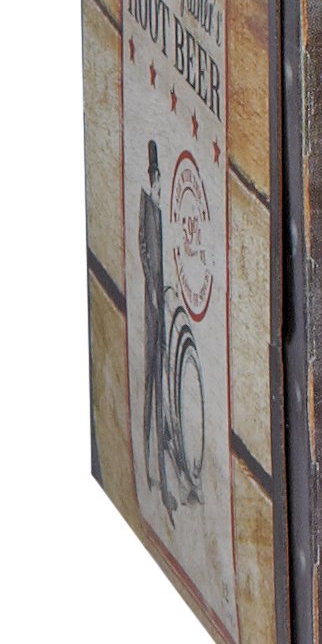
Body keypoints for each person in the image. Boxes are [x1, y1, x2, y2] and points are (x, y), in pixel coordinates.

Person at [137, 140, 174, 515]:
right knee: (149, 383)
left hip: (161, 307)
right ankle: (146, 464)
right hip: (151, 309)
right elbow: (144, 250)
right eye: (155, 175)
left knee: (162, 386)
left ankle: (163, 479)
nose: (158, 180)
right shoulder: (147, 205)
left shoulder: (163, 210)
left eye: (159, 174)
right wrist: (151, 289)